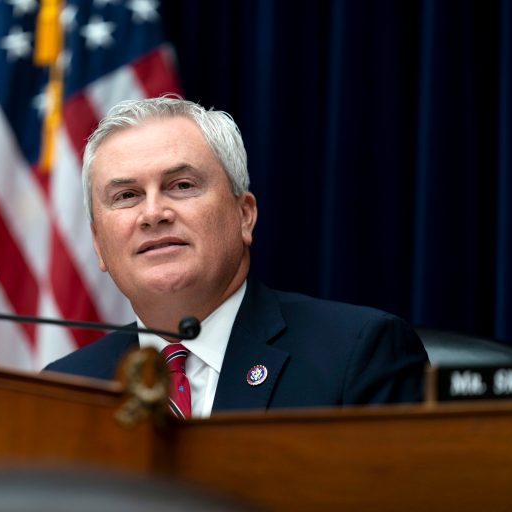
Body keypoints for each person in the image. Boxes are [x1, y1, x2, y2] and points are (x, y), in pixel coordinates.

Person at [45, 96, 429, 418]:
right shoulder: (63, 391)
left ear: (244, 216)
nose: (153, 213)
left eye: (181, 186)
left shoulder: (356, 356)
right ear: (98, 244)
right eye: (126, 196)